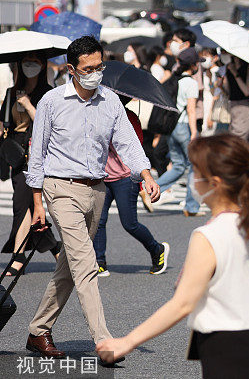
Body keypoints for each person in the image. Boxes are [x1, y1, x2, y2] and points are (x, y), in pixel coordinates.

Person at [97, 134, 249, 376]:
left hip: (226, 351)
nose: (192, 179)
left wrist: (126, 342)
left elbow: (183, 303)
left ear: (213, 183)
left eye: (195, 172)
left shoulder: (209, 234)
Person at [25, 36, 161, 359]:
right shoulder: (52, 102)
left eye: (100, 66)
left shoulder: (110, 101)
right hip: (60, 189)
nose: (95, 73)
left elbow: (128, 142)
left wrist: (146, 175)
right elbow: (37, 155)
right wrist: (36, 203)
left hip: (96, 190)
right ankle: (105, 340)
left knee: (69, 267)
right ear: (72, 70)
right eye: (88, 68)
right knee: (86, 264)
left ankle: (37, 330)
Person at [93, 95, 169, 277]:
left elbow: (133, 149)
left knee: (130, 224)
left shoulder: (129, 118)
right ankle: (99, 261)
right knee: (99, 221)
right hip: (103, 176)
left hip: (125, 177)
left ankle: (157, 249)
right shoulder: (96, 115)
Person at [0, 52, 61, 276]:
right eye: (26, 61)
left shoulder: (48, 93)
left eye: (35, 61)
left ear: (43, 65)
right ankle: (56, 248)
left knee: (20, 203)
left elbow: (48, 124)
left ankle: (18, 257)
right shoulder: (11, 92)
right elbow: (4, 123)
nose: (30, 65)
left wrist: (26, 103)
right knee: (25, 204)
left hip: (36, 150)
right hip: (15, 152)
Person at [155, 47, 204, 217]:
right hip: (183, 126)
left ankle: (152, 188)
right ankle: (191, 207)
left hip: (170, 127)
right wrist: (194, 133)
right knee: (195, 166)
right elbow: (191, 110)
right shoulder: (191, 83)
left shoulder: (173, 79)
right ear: (193, 65)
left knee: (178, 165)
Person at [219, 52, 249, 141]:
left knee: (239, 142)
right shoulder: (229, 67)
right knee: (233, 140)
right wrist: (221, 86)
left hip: (244, 108)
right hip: (233, 107)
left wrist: (235, 73)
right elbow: (229, 92)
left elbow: (246, 91)